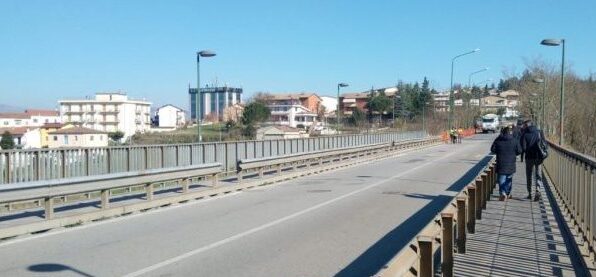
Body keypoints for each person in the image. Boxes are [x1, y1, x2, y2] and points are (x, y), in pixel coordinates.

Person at [491, 126, 522, 200]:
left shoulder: (498, 140)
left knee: (501, 179)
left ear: (502, 132)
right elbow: (520, 150)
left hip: (501, 163)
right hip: (511, 163)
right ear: (510, 132)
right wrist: (514, 154)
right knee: (509, 179)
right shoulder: (514, 140)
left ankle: (503, 193)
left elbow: (492, 149)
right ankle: (508, 193)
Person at [521, 120, 545, 201]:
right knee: (538, 174)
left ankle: (530, 193)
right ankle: (538, 190)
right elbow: (544, 143)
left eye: (524, 125)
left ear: (526, 125)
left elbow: (523, 148)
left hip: (529, 157)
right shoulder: (539, 132)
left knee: (529, 175)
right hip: (539, 157)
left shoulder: (525, 134)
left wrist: (527, 150)